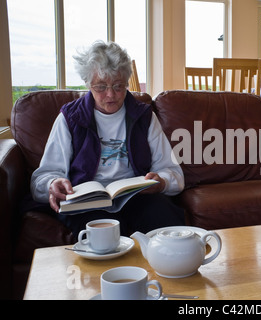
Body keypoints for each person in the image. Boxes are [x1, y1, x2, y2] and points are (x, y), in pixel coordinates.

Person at [30, 41, 185, 237]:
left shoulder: (144, 116)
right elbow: (43, 177)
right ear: (88, 84)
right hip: (87, 202)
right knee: (103, 236)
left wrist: (161, 182)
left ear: (127, 82)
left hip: (136, 197)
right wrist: (53, 183)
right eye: (101, 87)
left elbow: (173, 172)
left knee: (167, 224)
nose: (111, 94)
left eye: (118, 86)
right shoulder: (70, 118)